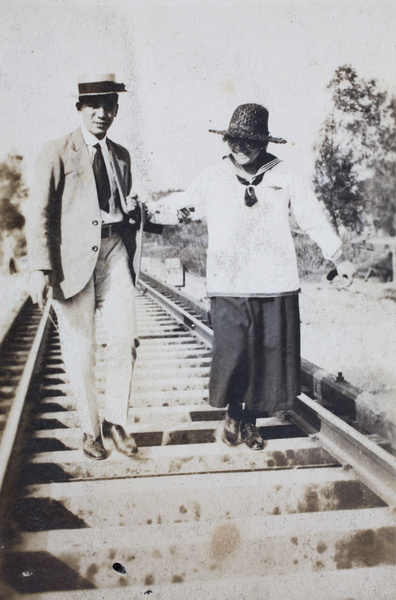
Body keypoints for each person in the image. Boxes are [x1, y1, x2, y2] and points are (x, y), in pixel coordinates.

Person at [146, 103, 355, 450]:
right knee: (235, 352)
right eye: (235, 141)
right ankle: (233, 411)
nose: (241, 148)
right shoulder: (213, 175)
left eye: (249, 142)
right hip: (228, 281)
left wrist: (339, 256)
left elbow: (312, 217)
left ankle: (249, 424)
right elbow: (184, 203)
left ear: (264, 143)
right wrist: (145, 209)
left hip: (274, 281)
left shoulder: (284, 175)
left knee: (265, 355)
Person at [27, 74, 162, 460]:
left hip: (114, 249)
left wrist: (136, 211)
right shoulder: (55, 152)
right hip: (71, 264)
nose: (102, 114)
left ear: (117, 110)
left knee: (124, 340)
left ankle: (116, 420)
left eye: (109, 106)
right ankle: (90, 430)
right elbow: (38, 213)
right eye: (94, 106)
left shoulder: (121, 155)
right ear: (80, 108)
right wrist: (40, 268)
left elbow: (123, 204)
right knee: (79, 349)